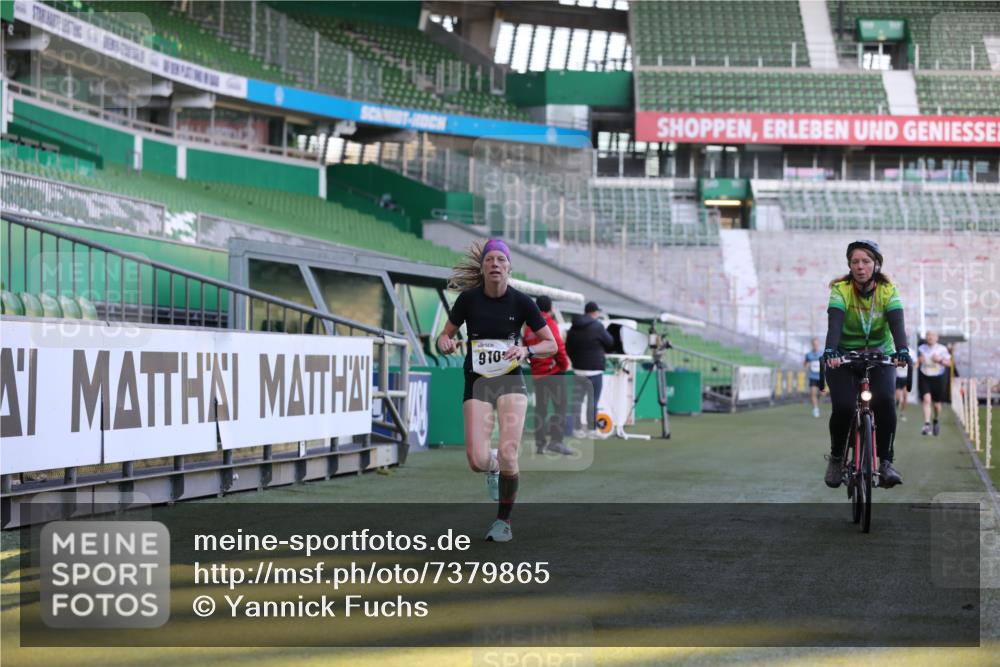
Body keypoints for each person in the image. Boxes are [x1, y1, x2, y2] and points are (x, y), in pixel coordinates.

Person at [436, 239, 556, 542]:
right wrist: (445, 343)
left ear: (509, 268)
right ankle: (493, 466)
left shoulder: (522, 302)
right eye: (489, 259)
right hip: (477, 381)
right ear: (482, 268)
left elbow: (551, 344)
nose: (495, 264)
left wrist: (526, 350)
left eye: (501, 260)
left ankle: (503, 522)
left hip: (510, 379)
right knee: (477, 461)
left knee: (509, 452)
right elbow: (444, 336)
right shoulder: (468, 300)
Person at [822, 240, 910, 489]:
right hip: (844, 357)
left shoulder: (888, 290)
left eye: (866, 261)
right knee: (843, 406)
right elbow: (835, 324)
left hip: (880, 355)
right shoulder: (840, 290)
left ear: (876, 264)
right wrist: (830, 351)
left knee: (885, 401)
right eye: (855, 262)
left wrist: (902, 350)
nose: (860, 266)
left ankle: (886, 463)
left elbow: (897, 324)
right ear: (849, 265)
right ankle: (836, 459)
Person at [523, 295, 572, 455]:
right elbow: (558, 345)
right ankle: (556, 442)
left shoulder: (528, 327)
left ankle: (540, 444)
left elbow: (526, 349)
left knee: (541, 410)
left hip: (538, 375)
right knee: (560, 407)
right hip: (553, 373)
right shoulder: (549, 323)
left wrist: (534, 365)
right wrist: (563, 366)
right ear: (550, 308)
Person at [565, 301, 614, 438]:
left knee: (577, 401)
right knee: (593, 401)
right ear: (595, 312)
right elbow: (610, 342)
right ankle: (592, 430)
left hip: (578, 370)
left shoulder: (573, 326)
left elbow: (568, 347)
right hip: (595, 370)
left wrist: (575, 361)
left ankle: (576, 429)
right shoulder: (598, 326)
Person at [917, 330, 951, 437]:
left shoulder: (942, 349)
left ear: (937, 338)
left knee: (937, 405)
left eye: (932, 335)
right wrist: (919, 361)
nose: (930, 337)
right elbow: (917, 363)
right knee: (926, 400)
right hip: (925, 376)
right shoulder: (921, 348)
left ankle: (936, 419)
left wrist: (940, 360)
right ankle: (927, 424)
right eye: (928, 335)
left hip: (938, 378)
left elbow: (949, 363)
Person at [804, 337, 824, 418]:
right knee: (813, 393)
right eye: (814, 344)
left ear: (819, 344)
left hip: (821, 377)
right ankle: (815, 409)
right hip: (812, 377)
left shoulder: (822, 353)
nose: (815, 345)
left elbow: (825, 363)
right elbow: (805, 364)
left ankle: (816, 404)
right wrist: (807, 365)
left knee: (822, 393)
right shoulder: (808, 355)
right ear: (812, 345)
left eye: (816, 344)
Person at [894, 348, 913, 422]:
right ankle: (895, 409)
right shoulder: (895, 350)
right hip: (898, 377)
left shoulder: (912, 352)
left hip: (906, 377)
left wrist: (911, 368)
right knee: (898, 397)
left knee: (905, 397)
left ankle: (903, 413)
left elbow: (916, 363)